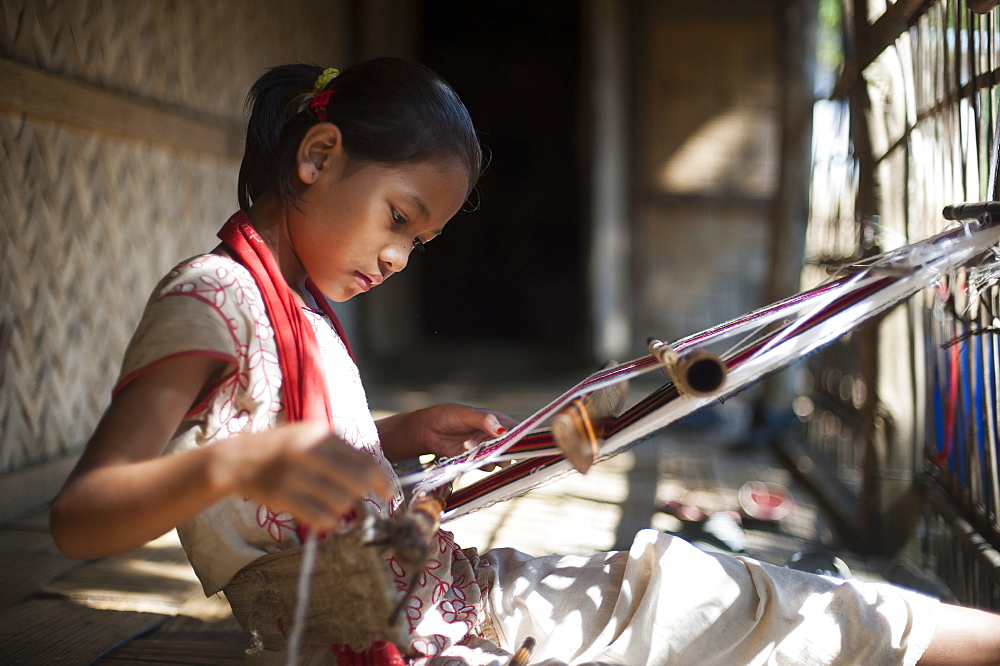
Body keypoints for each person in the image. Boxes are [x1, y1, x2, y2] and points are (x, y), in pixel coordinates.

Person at [49, 58, 1000, 666]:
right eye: (400, 221)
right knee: (711, 601)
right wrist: (236, 466)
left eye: (419, 243)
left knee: (697, 595)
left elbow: (261, 446)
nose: (397, 258)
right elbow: (84, 516)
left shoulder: (291, 311)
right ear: (320, 155)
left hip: (440, 601)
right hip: (420, 623)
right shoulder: (211, 300)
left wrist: (387, 438)